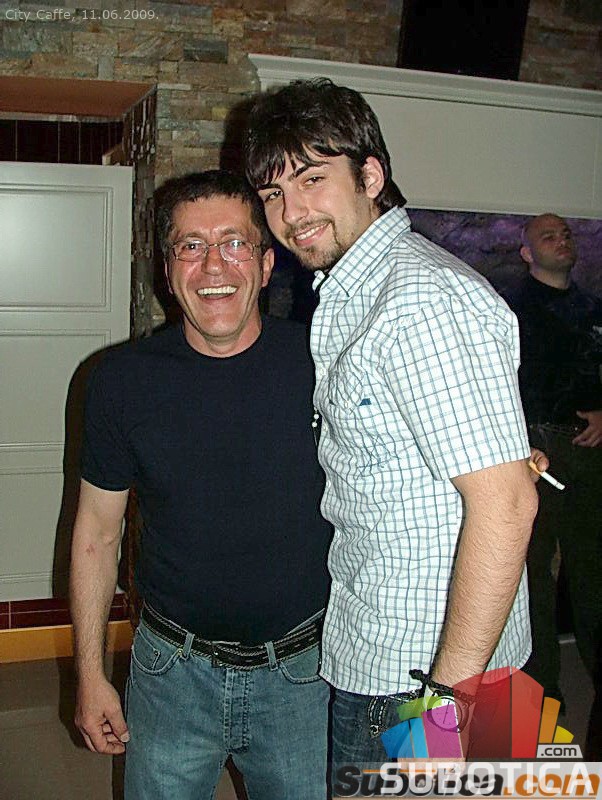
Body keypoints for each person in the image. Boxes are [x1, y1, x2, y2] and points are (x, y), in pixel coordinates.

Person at [243, 78, 541, 770]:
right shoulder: (357, 292)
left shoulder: (418, 300)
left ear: (370, 176)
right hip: (417, 653)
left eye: (312, 179)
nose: (292, 213)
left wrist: (445, 711)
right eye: (273, 193)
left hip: (425, 679)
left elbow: (506, 504)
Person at [69, 170, 333, 800]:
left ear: (265, 266)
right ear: (168, 271)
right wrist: (89, 673)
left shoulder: (326, 362)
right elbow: (96, 534)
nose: (214, 264)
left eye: (234, 243)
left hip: (305, 674)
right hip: (171, 674)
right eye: (191, 246)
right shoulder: (120, 382)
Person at [500, 213, 602, 711]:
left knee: (593, 567)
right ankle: (541, 690)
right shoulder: (510, 310)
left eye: (565, 234)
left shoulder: (593, 308)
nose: (561, 240)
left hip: (592, 452)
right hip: (535, 452)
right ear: (526, 252)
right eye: (548, 236)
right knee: (533, 572)